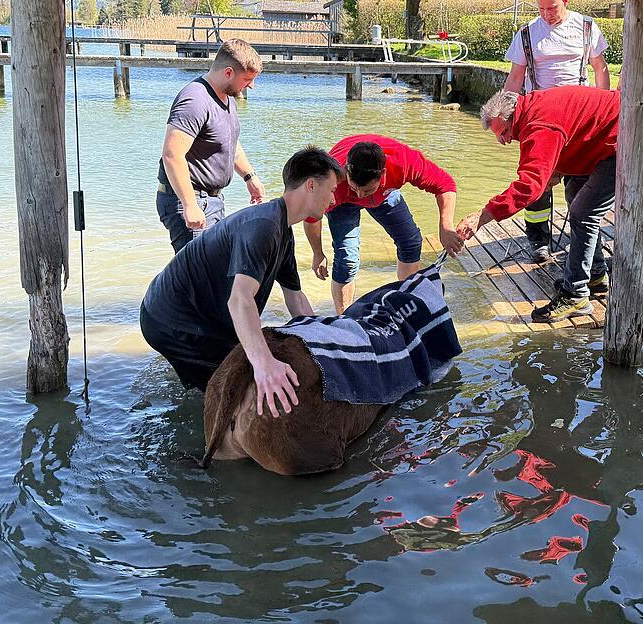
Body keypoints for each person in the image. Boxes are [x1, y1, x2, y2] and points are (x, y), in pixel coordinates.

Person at [140, 146, 343, 417]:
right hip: (172, 319)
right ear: (310, 186)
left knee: (238, 363)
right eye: (331, 190)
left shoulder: (282, 231)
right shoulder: (263, 227)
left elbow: (295, 299)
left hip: (196, 315)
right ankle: (190, 449)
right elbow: (240, 300)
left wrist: (327, 341)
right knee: (229, 398)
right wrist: (265, 365)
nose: (333, 200)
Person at [456, 87, 620, 323]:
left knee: (582, 213)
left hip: (626, 140)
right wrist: (554, 171)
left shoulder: (538, 125)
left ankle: (575, 295)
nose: (504, 141)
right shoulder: (532, 107)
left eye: (503, 133)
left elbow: (529, 186)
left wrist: (482, 216)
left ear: (511, 117)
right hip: (599, 141)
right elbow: (570, 130)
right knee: (575, 194)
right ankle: (594, 273)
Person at [502, 0, 611, 264]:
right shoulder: (527, 33)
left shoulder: (586, 27)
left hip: (580, 121)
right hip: (540, 122)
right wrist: (505, 119)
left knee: (581, 183)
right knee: (537, 182)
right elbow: (515, 78)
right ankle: (538, 240)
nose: (546, 15)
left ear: (565, 2)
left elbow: (600, 69)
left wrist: (604, 109)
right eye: (541, 9)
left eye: (552, 8)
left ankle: (584, 238)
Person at [302, 134, 460, 314]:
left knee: (411, 241)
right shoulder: (331, 179)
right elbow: (311, 216)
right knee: (347, 259)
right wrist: (317, 252)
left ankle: (405, 307)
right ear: (346, 171)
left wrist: (446, 226)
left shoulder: (403, 162)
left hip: (384, 194)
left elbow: (445, 185)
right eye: (356, 188)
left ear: (383, 173)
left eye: (366, 189)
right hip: (342, 202)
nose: (360, 196)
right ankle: (345, 318)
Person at [156, 39, 269, 253]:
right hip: (190, 199)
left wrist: (249, 177)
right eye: (247, 79)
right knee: (198, 277)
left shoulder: (227, 98)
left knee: (215, 270)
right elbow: (172, 155)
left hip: (213, 200)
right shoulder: (195, 100)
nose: (251, 86)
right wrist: (190, 205)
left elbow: (230, 143)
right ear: (228, 72)